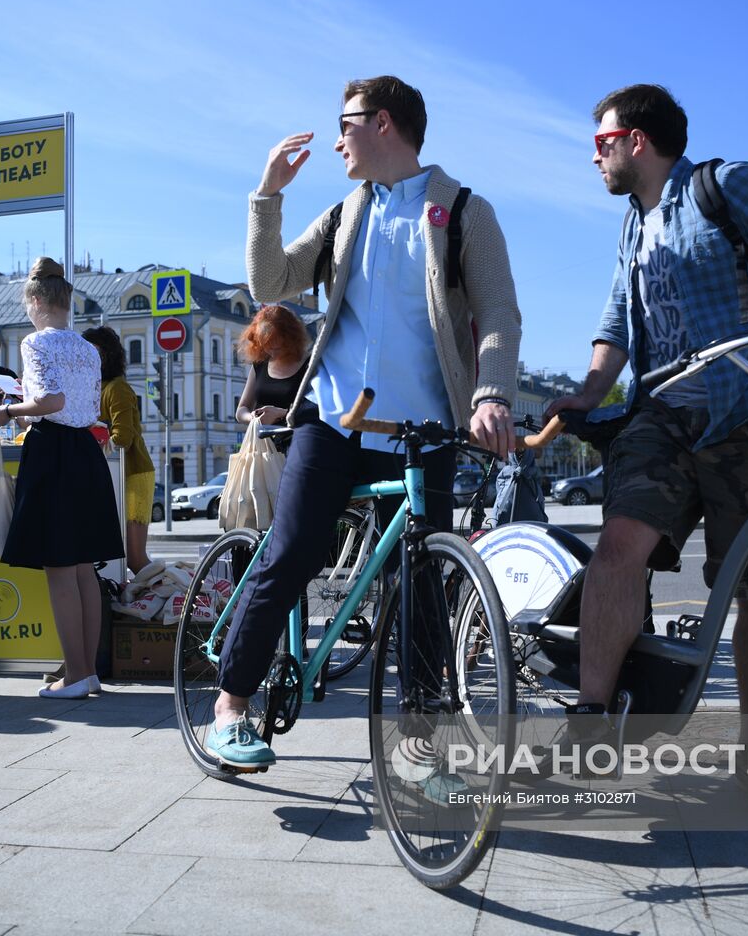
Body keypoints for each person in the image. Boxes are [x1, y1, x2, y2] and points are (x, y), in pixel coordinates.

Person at [545, 84, 748, 809]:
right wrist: (587, 390)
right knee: (619, 547)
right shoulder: (633, 226)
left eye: (601, 142)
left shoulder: (728, 188)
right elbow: (614, 330)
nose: (593, 156)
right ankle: (594, 722)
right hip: (660, 418)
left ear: (637, 140)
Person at [205, 75, 521, 768]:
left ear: (382, 123)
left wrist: (490, 394)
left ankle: (425, 744)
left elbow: (497, 311)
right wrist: (269, 195)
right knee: (291, 552)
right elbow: (271, 284)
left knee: (422, 585)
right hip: (335, 419)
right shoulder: (349, 211)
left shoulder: (465, 211)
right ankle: (231, 704)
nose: (336, 137)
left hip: (422, 431)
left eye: (344, 123)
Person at [0, 258, 124, 699]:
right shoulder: (87, 348)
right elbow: (82, 404)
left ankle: (77, 675)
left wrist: (6, 411)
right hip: (85, 451)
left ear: (35, 300)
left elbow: (49, 400)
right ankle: (88, 670)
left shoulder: (34, 342)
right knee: (83, 568)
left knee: (60, 569)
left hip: (52, 450)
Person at [80, 325, 157, 578]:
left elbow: (122, 438)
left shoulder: (117, 388)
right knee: (118, 557)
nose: (88, 358)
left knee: (135, 558)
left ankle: (177, 598)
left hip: (133, 474)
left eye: (95, 353)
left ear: (108, 356)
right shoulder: (88, 389)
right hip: (111, 474)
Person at [234, 304, 311, 430]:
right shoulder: (260, 364)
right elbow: (241, 410)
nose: (273, 352)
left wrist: (281, 413)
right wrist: (252, 418)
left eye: (279, 347)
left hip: (295, 440)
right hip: (262, 444)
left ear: (291, 339)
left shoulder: (309, 364)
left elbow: (318, 411)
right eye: (267, 346)